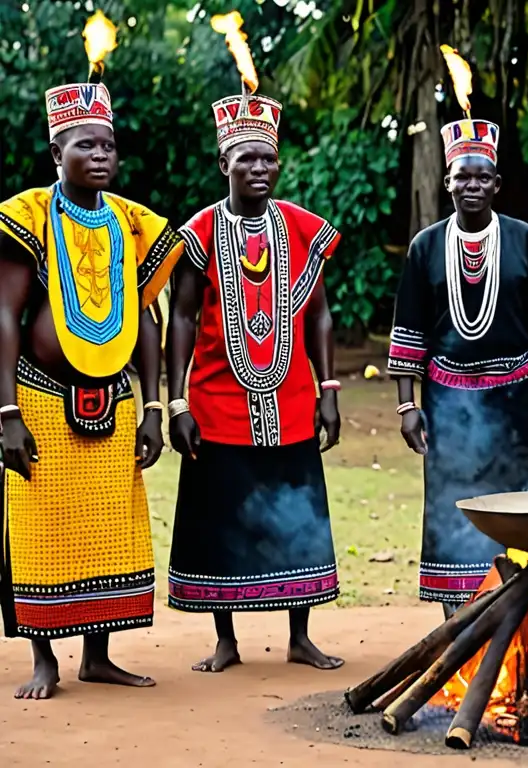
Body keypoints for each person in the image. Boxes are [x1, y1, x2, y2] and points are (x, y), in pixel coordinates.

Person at [0, 80, 183, 699]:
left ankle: (97, 657)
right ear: (57, 153)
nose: (101, 155)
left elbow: (147, 320)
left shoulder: (132, 223)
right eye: (85, 145)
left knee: (108, 529)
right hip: (41, 396)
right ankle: (44, 660)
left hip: (116, 396)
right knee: (42, 528)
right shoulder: (28, 216)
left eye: (108, 145)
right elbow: (5, 315)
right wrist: (7, 413)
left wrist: (153, 407)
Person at [165, 89, 343, 673]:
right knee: (222, 519)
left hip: (291, 404)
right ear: (225, 163)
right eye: (247, 158)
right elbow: (182, 318)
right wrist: (176, 403)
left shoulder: (302, 228)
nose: (260, 168)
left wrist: (328, 390)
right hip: (216, 405)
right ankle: (226, 641)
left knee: (299, 518)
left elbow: (319, 314)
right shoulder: (198, 233)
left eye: (268, 158)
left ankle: (300, 637)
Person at [388, 118, 528, 619]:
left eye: (482, 177)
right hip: (448, 403)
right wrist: (408, 406)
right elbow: (409, 331)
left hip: (519, 401)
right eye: (462, 176)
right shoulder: (426, 247)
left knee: (525, 507)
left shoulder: (525, 240)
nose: (472, 185)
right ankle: (459, 624)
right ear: (448, 182)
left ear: (496, 184)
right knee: (455, 505)